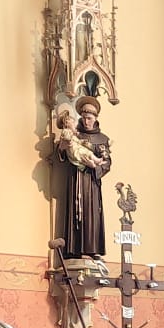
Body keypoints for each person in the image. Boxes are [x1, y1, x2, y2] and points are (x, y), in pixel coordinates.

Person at [61, 95, 113, 262]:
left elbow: (107, 163)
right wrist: (62, 148)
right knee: (76, 212)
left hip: (92, 182)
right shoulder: (75, 134)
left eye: (89, 118)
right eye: (83, 118)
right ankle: (74, 249)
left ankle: (93, 249)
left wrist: (94, 166)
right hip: (76, 179)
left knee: (92, 214)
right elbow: (64, 154)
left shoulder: (102, 139)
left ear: (95, 118)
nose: (86, 121)